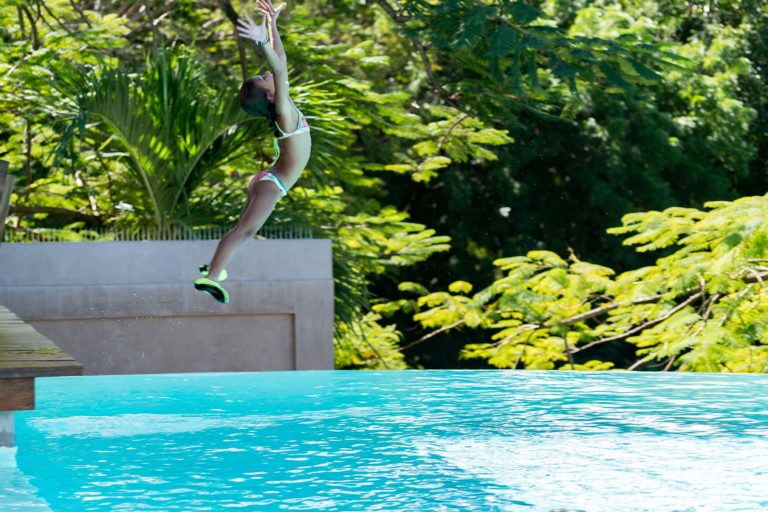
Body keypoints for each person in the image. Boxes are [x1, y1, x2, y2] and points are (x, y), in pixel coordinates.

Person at [195, 0, 311, 304]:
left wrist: (272, 24)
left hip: (269, 181)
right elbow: (278, 67)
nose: (266, 73)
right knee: (245, 231)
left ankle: (215, 269)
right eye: (264, 78)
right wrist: (261, 43)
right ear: (271, 93)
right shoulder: (284, 112)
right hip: (273, 184)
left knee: (241, 229)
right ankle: (211, 276)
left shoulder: (283, 108)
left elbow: (280, 62)